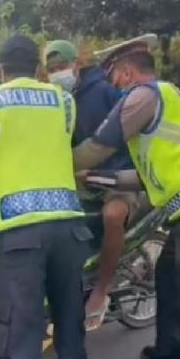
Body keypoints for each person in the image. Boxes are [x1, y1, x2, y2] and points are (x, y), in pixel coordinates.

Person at [73, 36, 180, 359]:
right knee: (168, 279)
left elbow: (97, 147)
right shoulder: (164, 99)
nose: (112, 87)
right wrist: (97, 178)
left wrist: (55, 165)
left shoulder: (143, 96)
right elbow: (145, 178)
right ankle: (171, 350)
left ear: (125, 72)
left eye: (112, 76)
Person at [0, 35, 91, 359]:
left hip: (20, 229)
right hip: (68, 227)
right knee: (70, 322)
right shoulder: (63, 101)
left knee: (21, 328)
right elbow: (72, 147)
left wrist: (6, 183)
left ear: (0, 69)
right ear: (38, 69)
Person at [44, 40, 139, 331]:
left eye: (62, 67)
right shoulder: (52, 99)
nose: (58, 73)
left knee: (112, 217)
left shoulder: (105, 92)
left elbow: (129, 131)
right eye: (52, 69)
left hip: (118, 178)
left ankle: (101, 291)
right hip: (78, 180)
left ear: (76, 64)